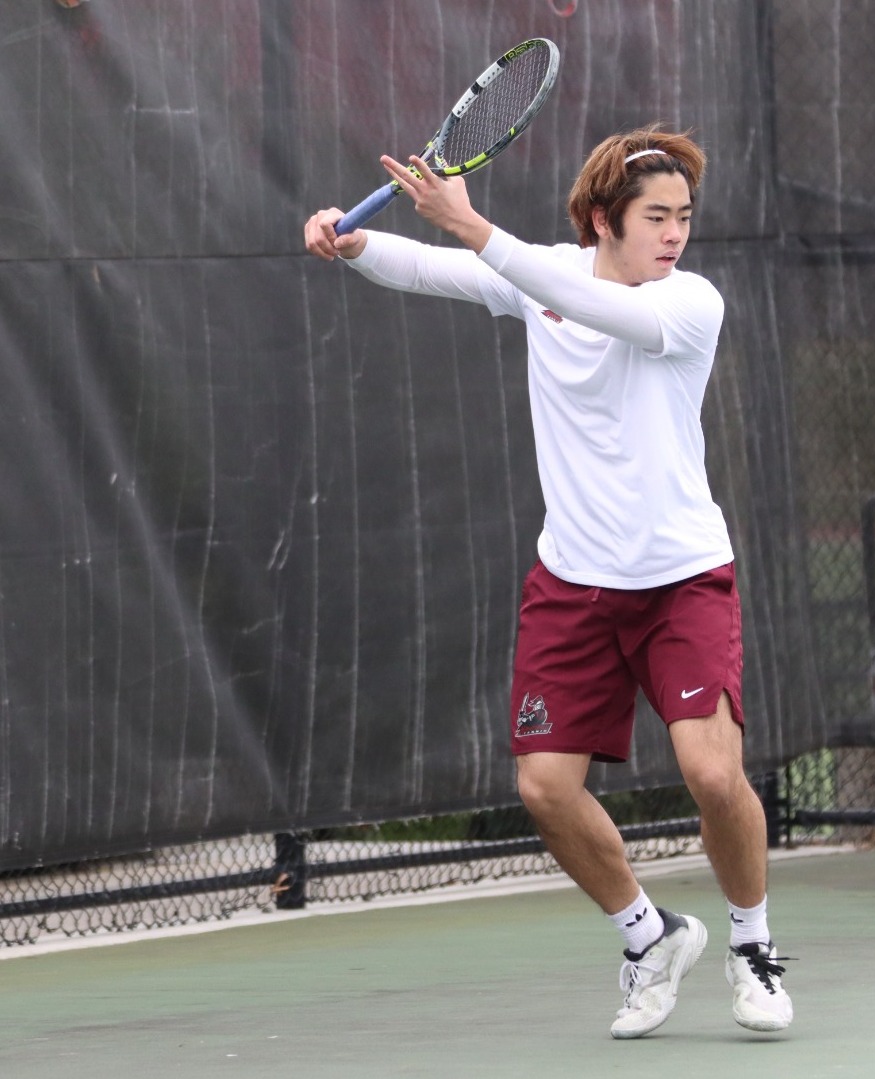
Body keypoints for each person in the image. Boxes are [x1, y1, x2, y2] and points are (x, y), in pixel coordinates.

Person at [302, 125, 791, 1040]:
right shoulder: (542, 279)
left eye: (684, 216)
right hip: (572, 584)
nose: (675, 233)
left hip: (682, 577)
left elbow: (586, 303)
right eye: (656, 217)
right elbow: (426, 269)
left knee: (712, 776)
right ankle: (649, 937)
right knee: (544, 788)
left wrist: (475, 226)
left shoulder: (689, 303)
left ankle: (752, 944)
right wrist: (353, 240)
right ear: (605, 219)